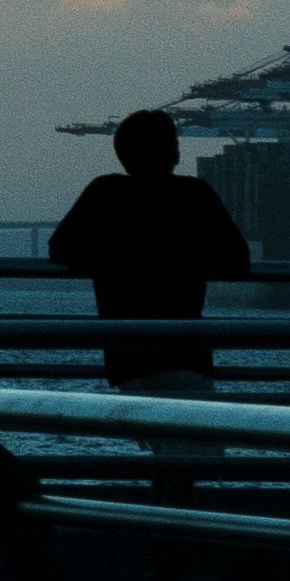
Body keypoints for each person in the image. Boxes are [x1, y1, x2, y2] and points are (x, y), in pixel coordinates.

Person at [48, 112, 246, 398]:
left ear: (122, 153)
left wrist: (111, 262)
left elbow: (60, 248)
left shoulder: (105, 192)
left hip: (128, 357)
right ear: (173, 152)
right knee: (195, 438)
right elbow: (238, 263)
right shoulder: (195, 194)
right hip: (187, 353)